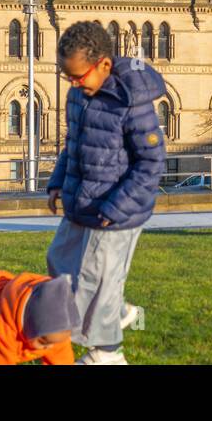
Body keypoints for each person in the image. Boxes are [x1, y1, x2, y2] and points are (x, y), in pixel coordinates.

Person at [47, 21, 167, 365]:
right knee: (60, 262)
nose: (72, 84)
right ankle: (117, 312)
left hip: (118, 211)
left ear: (103, 65)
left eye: (78, 77)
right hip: (82, 200)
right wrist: (57, 181)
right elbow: (73, 146)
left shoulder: (132, 102)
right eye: (67, 77)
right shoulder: (78, 95)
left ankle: (107, 355)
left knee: (94, 281)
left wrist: (116, 206)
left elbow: (151, 161)